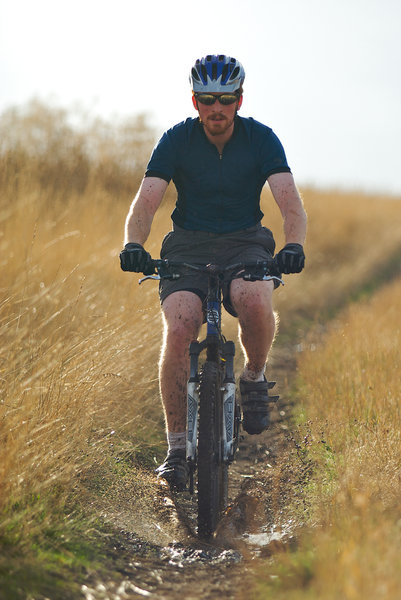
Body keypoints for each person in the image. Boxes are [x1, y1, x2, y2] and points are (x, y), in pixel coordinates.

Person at [120, 54, 307, 490]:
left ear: (239, 100)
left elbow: (290, 203)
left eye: (225, 99)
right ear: (195, 100)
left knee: (255, 299)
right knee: (180, 326)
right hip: (188, 243)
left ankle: (255, 378)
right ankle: (176, 451)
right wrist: (133, 244)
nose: (216, 108)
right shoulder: (176, 139)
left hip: (246, 240)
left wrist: (294, 245)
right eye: (207, 99)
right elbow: (146, 203)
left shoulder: (262, 139)